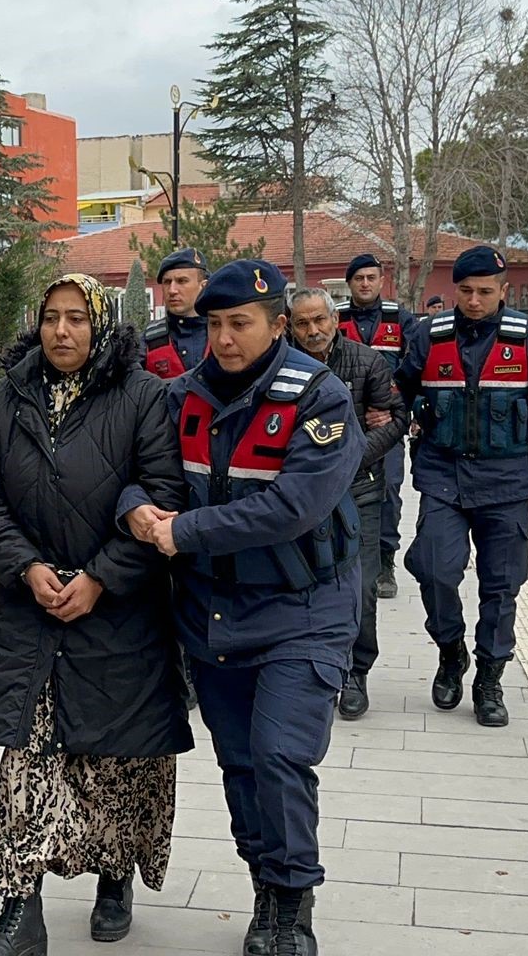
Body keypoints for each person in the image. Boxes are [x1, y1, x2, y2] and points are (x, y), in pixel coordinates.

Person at [120, 259, 365, 956]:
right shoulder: (180, 397)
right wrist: (137, 508)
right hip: (214, 611)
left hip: (304, 608)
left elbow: (295, 506)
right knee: (241, 765)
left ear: (278, 324)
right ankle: (266, 884)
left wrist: (180, 532)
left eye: (240, 325)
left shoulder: (320, 399)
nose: (224, 339)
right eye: (215, 325)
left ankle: (295, 902)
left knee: (280, 753)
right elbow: (135, 473)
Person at [0, 273, 192, 956]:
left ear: (101, 324)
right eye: (50, 317)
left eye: (76, 318)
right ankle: (18, 910)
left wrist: (99, 578)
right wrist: (26, 568)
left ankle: (114, 876)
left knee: (117, 760)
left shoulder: (143, 396)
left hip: (119, 611)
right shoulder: (11, 396)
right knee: (26, 763)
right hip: (30, 610)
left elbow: (163, 493)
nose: (61, 331)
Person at [397, 246, 528, 730]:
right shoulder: (427, 336)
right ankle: (451, 650)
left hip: (505, 481)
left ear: (501, 291)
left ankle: (490, 678)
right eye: (465, 291)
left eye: (484, 292)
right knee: (434, 568)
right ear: (454, 290)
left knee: (502, 586)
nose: (474, 301)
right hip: (442, 477)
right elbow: (397, 393)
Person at [290, 288, 408, 723]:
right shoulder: (279, 364)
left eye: (319, 320)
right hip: (299, 494)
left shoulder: (367, 362)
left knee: (360, 588)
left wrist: (349, 455)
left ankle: (357, 672)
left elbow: (395, 418)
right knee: (301, 585)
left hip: (359, 490)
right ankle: (310, 670)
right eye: (303, 323)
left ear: (334, 318)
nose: (313, 330)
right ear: (289, 325)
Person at [333, 253, 415, 603]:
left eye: (371, 277)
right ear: (349, 283)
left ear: (382, 281)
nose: (365, 284)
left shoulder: (401, 320)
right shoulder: (335, 318)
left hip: (384, 426)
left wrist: (399, 411)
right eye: (358, 278)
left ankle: (385, 561)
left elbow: (414, 371)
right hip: (342, 422)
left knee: (389, 493)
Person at [143, 248, 210, 379]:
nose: (172, 290)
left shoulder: (224, 334)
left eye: (182, 281)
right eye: (167, 282)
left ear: (203, 286)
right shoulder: (147, 341)